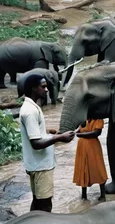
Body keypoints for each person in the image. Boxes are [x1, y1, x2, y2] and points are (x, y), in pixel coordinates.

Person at [19, 74, 75, 212]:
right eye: (43, 87)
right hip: (40, 166)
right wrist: (60, 138)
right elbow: (36, 143)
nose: (47, 90)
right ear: (33, 88)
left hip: (36, 164)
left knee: (37, 202)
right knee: (45, 205)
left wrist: (47, 133)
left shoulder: (30, 107)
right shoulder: (30, 111)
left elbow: (35, 135)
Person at [73, 118, 108, 201]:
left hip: (93, 146)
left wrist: (81, 135)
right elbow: (77, 130)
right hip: (82, 147)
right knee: (83, 169)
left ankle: (103, 194)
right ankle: (84, 196)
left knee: (98, 168)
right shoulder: (83, 119)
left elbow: (96, 133)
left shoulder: (98, 119)